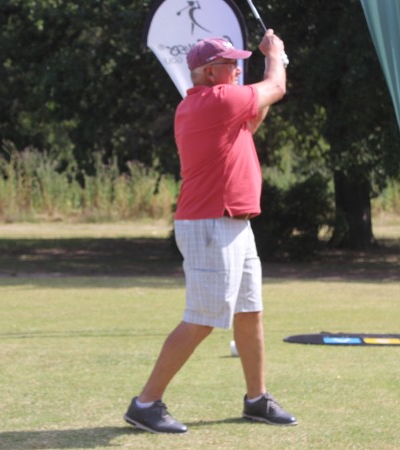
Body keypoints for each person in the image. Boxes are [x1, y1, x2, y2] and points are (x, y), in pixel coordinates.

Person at [124, 30, 296, 434]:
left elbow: (254, 117)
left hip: (232, 222)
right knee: (202, 319)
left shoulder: (215, 105)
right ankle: (145, 404)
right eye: (230, 64)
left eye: (238, 63)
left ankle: (256, 399)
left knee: (249, 313)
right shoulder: (215, 101)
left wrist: (275, 66)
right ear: (207, 71)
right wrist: (275, 55)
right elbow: (275, 88)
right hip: (210, 223)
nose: (236, 69)